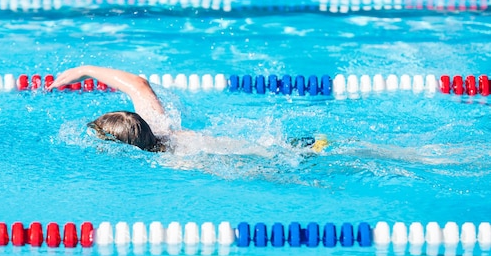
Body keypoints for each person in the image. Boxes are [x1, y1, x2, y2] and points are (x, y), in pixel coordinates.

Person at [49, 65, 327, 155]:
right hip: (284, 145)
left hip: (279, 155)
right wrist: (84, 70)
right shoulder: (157, 125)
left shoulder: (176, 159)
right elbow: (137, 84)